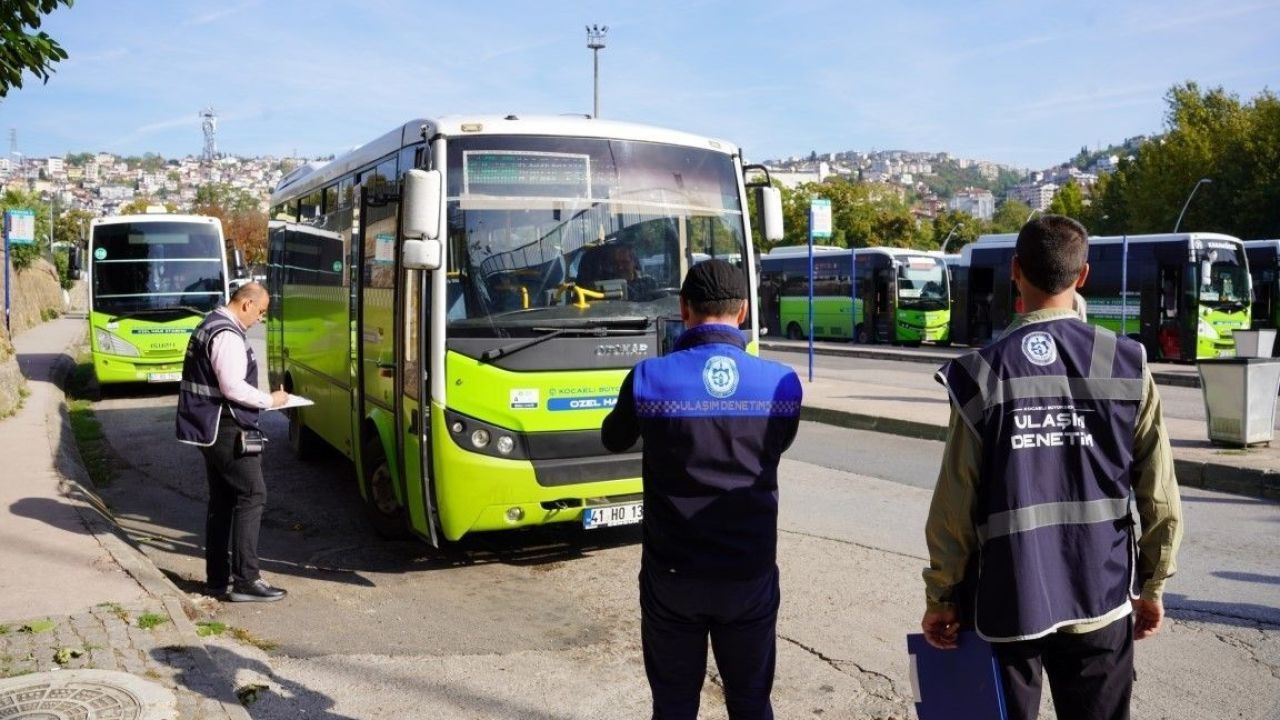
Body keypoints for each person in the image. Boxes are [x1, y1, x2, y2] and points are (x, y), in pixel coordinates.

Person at [921, 215, 1183, 720]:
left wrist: (942, 596)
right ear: (1083, 276)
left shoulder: (981, 373)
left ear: (1015, 270)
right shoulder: (1127, 364)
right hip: (1100, 594)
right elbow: (1159, 494)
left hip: (1007, 599)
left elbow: (954, 503)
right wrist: (1152, 586)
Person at [602, 259, 802, 720]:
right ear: (744, 311)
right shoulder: (781, 383)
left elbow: (613, 438)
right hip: (748, 572)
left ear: (683, 308)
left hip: (673, 575)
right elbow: (779, 443)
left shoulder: (648, 378)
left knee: (673, 704)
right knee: (751, 702)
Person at [176, 282, 290, 603]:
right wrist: (271, 400)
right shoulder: (226, 334)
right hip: (227, 427)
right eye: (261, 312)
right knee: (253, 494)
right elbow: (232, 387)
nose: (260, 319)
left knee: (223, 501)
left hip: (211, 428)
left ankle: (217, 579)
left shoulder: (209, 323)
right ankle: (246, 579)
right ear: (246, 305)